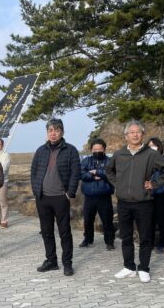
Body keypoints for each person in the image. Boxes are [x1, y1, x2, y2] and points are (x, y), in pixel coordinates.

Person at [105, 121, 164, 283]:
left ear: (143, 135)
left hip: (144, 202)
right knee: (126, 236)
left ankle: (144, 268)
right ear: (126, 136)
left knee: (145, 237)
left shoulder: (151, 154)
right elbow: (108, 170)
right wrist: (118, 184)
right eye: (131, 132)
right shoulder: (119, 154)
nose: (135, 134)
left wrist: (155, 184)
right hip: (123, 202)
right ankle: (129, 267)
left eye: (138, 132)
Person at [30, 118, 81, 276]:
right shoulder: (41, 150)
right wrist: (36, 190)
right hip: (42, 198)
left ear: (62, 132)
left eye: (56, 130)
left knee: (64, 232)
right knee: (46, 232)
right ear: (47, 133)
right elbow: (34, 171)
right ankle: (51, 261)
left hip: (60, 197)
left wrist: (69, 193)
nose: (53, 134)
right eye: (50, 131)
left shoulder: (71, 150)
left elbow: (75, 173)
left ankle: (67, 263)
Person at [79, 138, 115, 250]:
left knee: (107, 220)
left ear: (104, 149)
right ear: (91, 150)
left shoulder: (109, 161)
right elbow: (81, 174)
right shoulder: (86, 161)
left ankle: (109, 242)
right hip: (89, 196)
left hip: (104, 195)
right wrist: (93, 176)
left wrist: (97, 172)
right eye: (95, 149)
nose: (97, 151)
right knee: (88, 219)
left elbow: (111, 174)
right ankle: (87, 239)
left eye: (100, 149)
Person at [0, 138, 11, 228]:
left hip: (2, 182)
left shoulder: (5, 155)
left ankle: (4, 221)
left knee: (3, 202)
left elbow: (3, 168)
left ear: (2, 145)